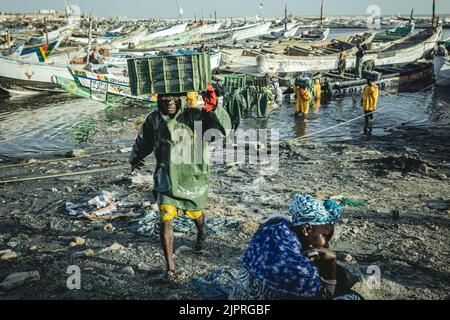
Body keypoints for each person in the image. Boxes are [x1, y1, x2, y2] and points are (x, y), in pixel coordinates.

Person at [129, 86, 231, 280]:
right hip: (166, 178)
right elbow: (144, 141)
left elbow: (221, 130)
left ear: (181, 100)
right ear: (158, 100)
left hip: (192, 176)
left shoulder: (195, 116)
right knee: (166, 219)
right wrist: (136, 157)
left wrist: (214, 105)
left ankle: (201, 232)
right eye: (165, 99)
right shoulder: (154, 119)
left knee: (196, 215)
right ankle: (170, 268)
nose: (169, 103)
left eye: (173, 100)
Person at [229, 194, 363, 300]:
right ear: (306, 228)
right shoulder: (298, 270)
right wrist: (330, 265)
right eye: (325, 237)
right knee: (352, 296)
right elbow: (324, 297)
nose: (327, 244)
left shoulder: (275, 229)